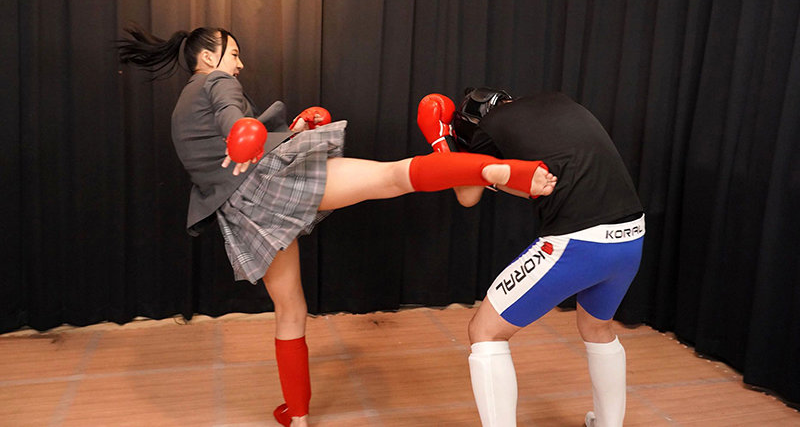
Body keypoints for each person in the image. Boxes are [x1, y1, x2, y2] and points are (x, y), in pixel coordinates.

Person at [117, 26, 557, 427]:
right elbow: (232, 119)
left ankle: (297, 415)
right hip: (267, 181)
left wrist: (290, 128)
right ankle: (505, 172)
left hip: (245, 210)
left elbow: (222, 144)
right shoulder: (217, 81)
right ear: (208, 57)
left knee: (290, 309)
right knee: (392, 177)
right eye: (233, 54)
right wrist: (241, 134)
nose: (239, 63)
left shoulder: (182, 106)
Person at [420, 88, 644, 427]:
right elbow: (537, 186)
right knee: (597, 328)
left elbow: (467, 195)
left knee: (485, 332)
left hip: (580, 243)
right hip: (631, 235)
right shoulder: (556, 102)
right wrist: (496, 179)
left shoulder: (487, 128)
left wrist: (444, 143)